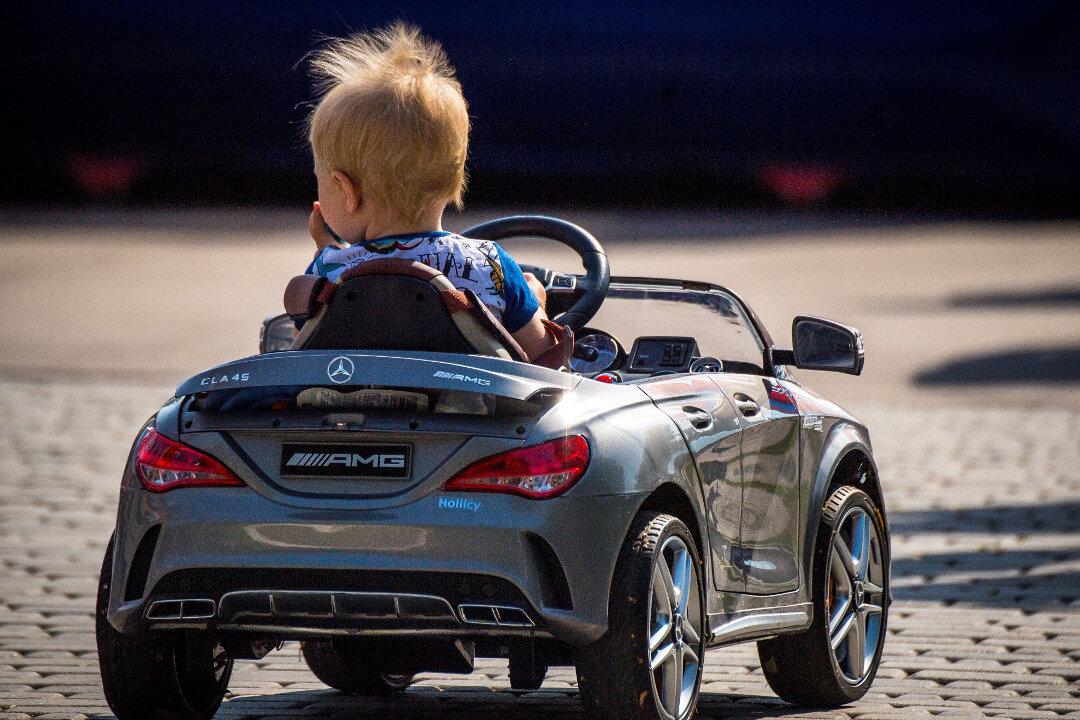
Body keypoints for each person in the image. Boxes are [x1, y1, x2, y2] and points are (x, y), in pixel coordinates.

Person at [302, 23, 558, 361]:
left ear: (346, 191)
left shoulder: (327, 272)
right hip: (468, 410)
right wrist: (534, 302)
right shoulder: (490, 265)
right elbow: (544, 357)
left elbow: (305, 349)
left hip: (351, 410)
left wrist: (328, 253)